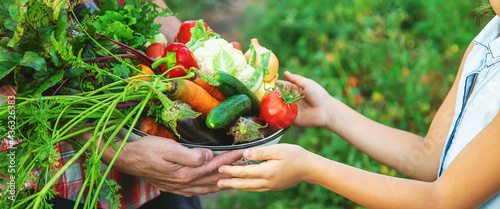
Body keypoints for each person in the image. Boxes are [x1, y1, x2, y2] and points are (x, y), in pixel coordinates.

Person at [216, 2, 500, 208]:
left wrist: (311, 168)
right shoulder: (489, 40)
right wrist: (330, 111)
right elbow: (429, 156)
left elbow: (442, 200)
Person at [0, 1, 244, 209]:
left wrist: (198, 49)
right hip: (53, 174)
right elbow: (33, 83)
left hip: (159, 167)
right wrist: (112, 149)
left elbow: (151, 9)